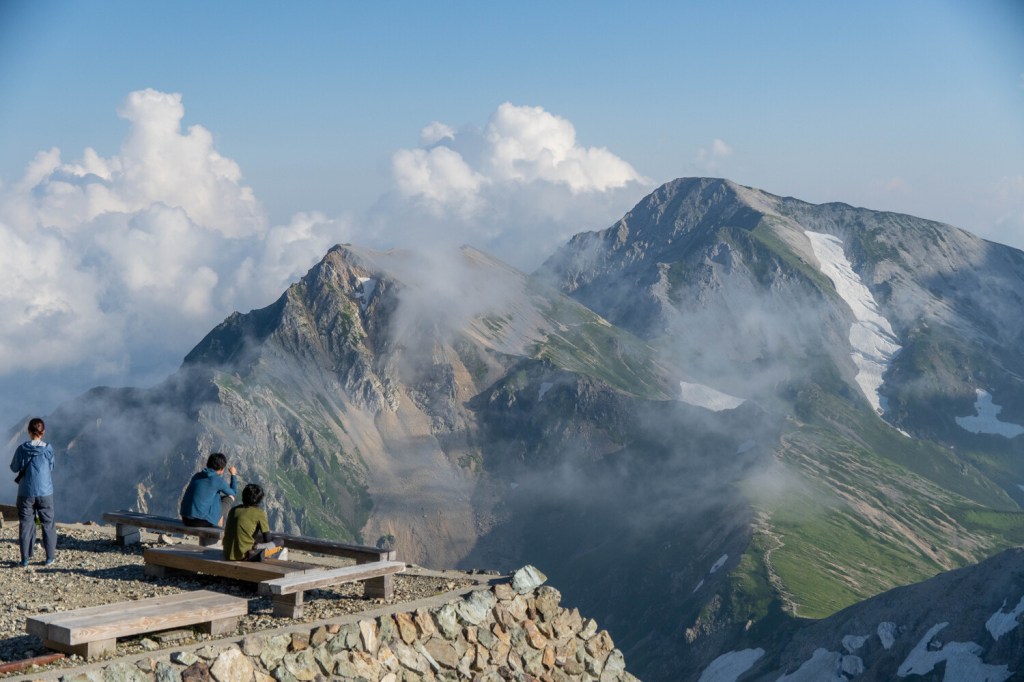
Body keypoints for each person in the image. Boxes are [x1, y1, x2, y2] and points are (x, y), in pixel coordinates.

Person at [9, 417, 56, 567]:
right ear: (43, 432)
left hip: (26, 493)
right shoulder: (48, 449)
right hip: (45, 493)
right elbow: (51, 467)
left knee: (26, 524)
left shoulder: (22, 449)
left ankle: (25, 559)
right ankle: (49, 558)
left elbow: (14, 468)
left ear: (29, 431)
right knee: (48, 524)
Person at [223, 483, 284, 561]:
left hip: (227, 553)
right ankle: (264, 556)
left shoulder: (234, 510)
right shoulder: (259, 513)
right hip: (244, 555)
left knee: (255, 543)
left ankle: (258, 552)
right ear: (259, 500)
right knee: (280, 542)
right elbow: (267, 539)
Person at [180, 453, 238, 528]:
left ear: (207, 464)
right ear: (222, 469)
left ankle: (215, 526)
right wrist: (233, 475)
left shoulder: (197, 476)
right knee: (229, 498)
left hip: (185, 519)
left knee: (216, 496)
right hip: (200, 522)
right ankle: (216, 532)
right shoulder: (217, 480)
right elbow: (234, 492)